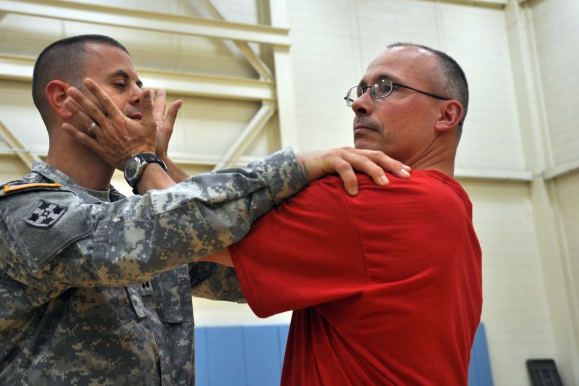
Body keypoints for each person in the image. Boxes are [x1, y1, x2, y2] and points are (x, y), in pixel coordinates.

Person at [0, 34, 410, 386]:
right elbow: (144, 234)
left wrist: (155, 165)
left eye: (138, 82)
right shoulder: (18, 211)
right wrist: (296, 167)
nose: (141, 94)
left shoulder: (146, 214)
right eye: (120, 84)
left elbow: (240, 268)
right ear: (63, 99)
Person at [199, 43, 483, 385]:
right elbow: (216, 217)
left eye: (386, 88)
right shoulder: (448, 205)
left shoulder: (375, 196)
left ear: (447, 115)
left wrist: (141, 159)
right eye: (361, 91)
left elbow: (195, 231)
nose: (360, 104)